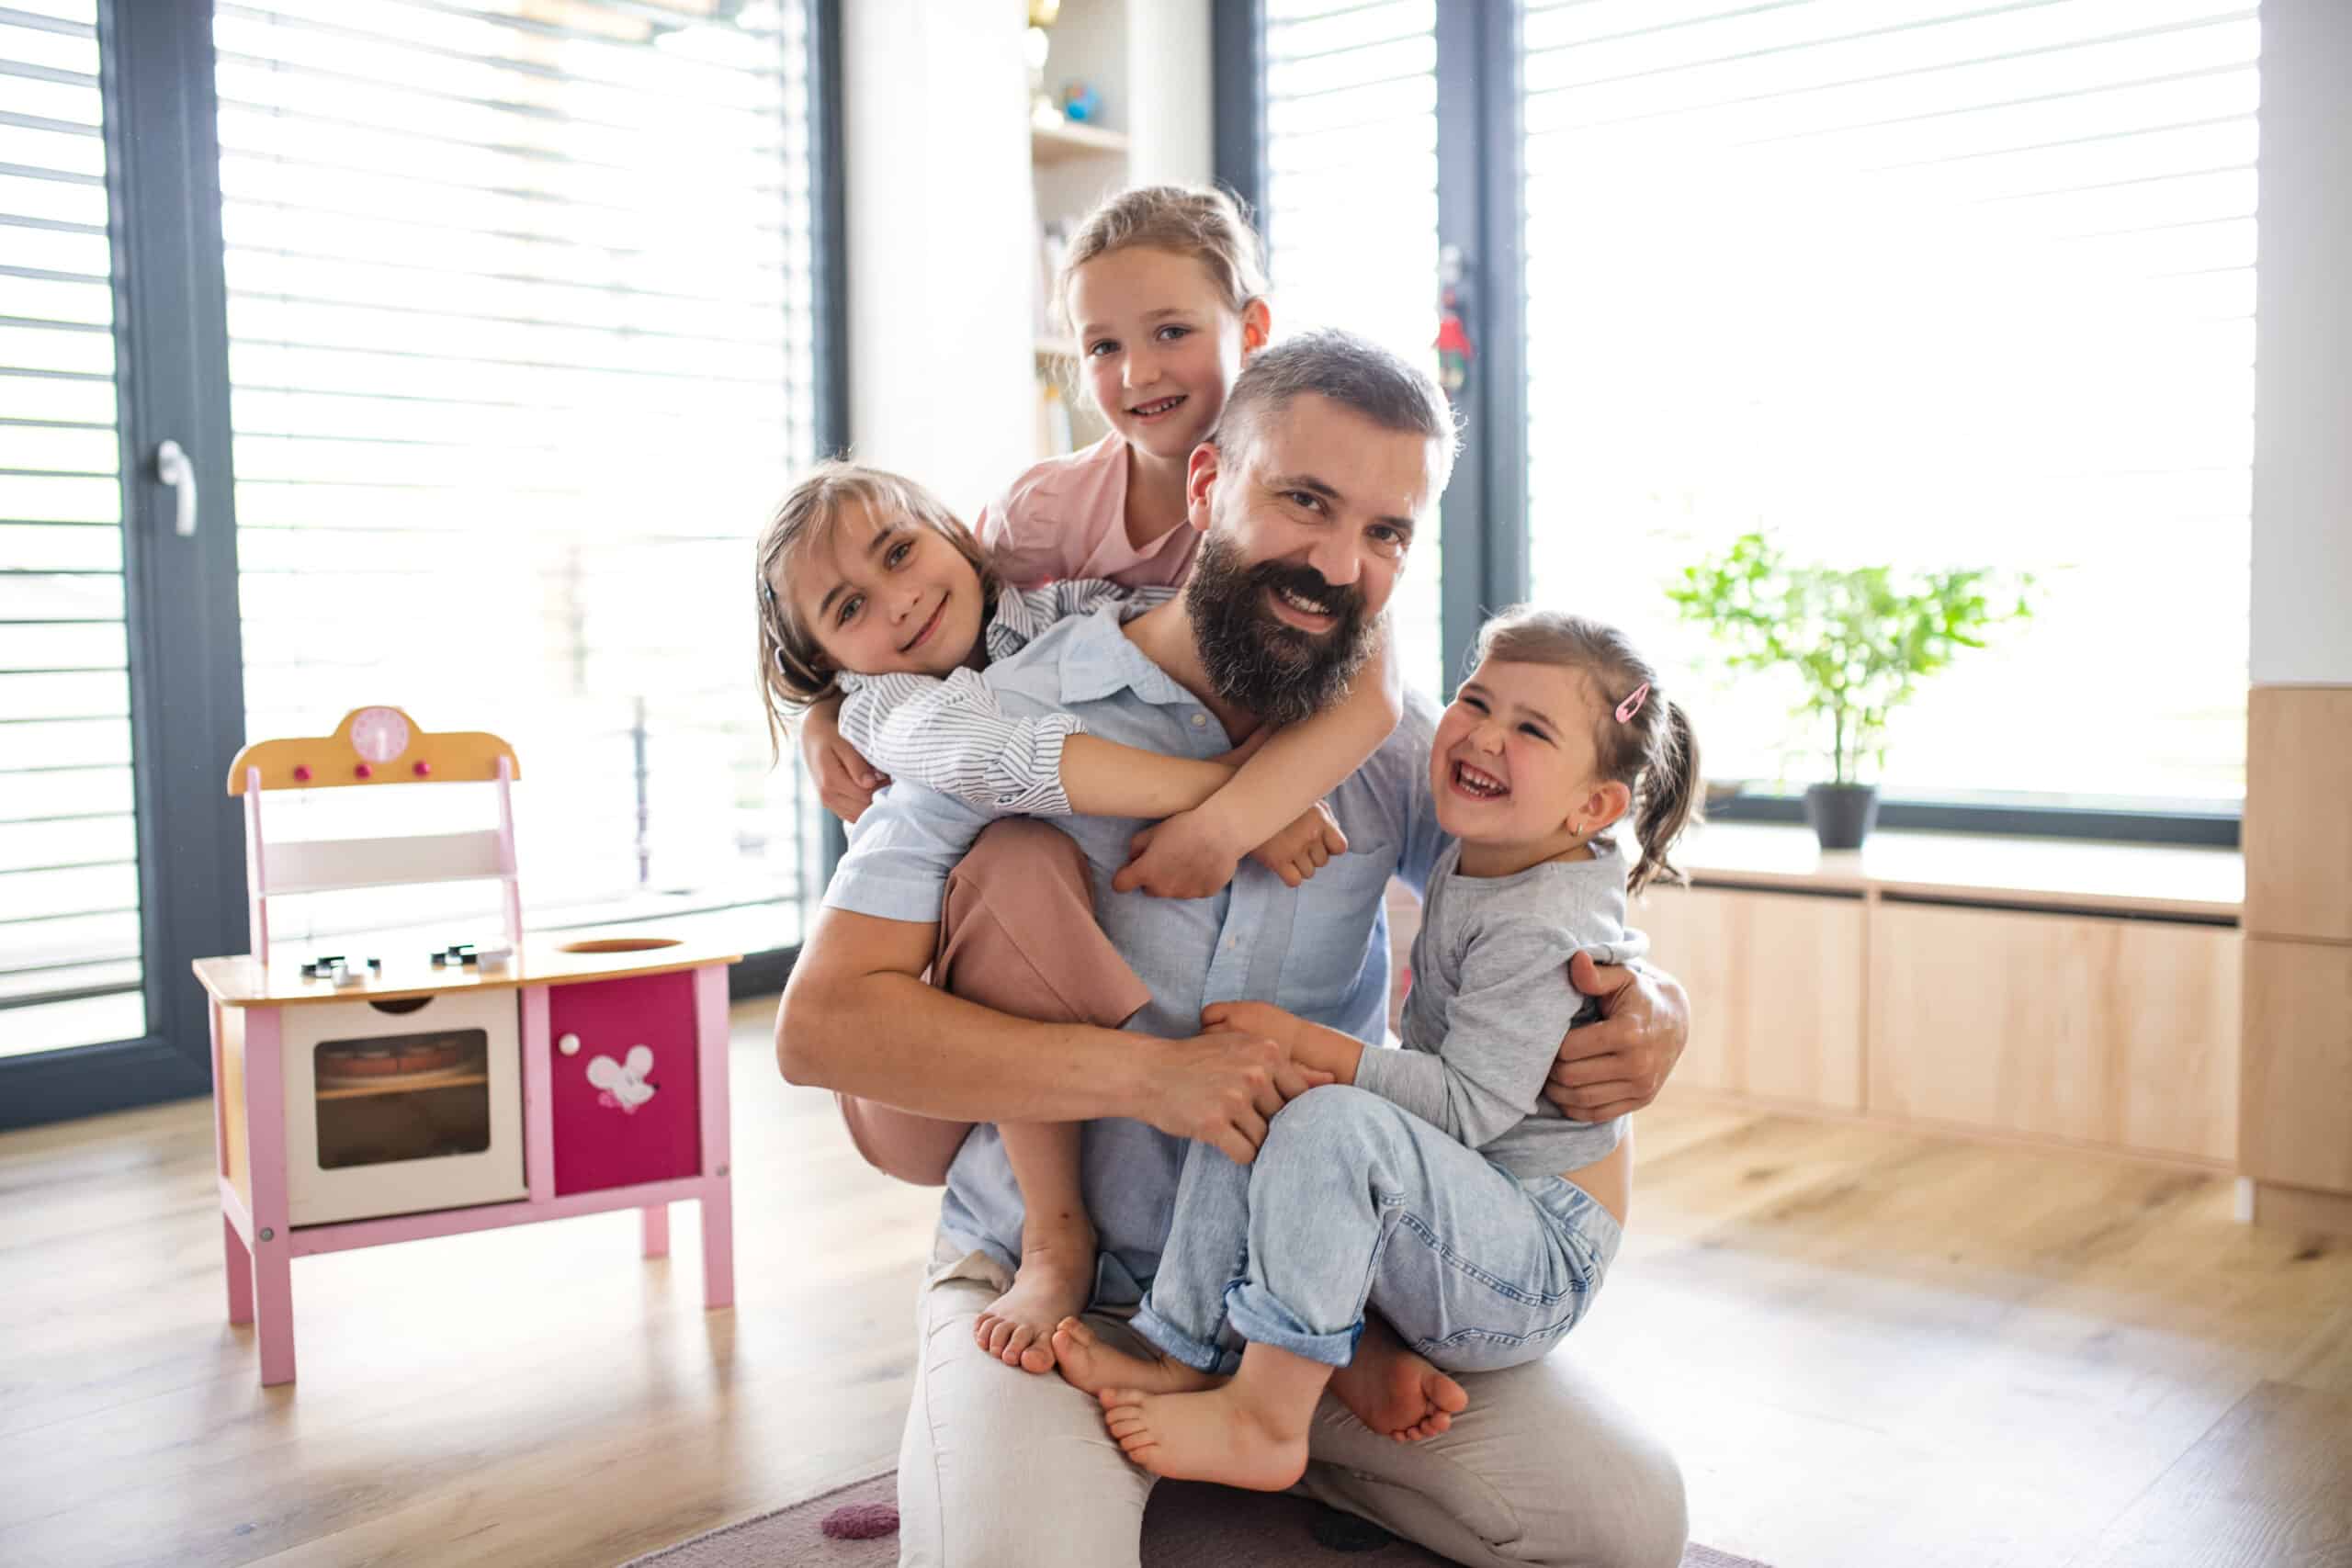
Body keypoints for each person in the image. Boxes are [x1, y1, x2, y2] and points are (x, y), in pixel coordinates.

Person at [777, 330, 1692, 1567]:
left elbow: (1552, 890)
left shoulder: (1409, 749)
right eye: (1304, 501)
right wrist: (1154, 1079)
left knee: (1625, 1521)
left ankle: (1266, 1419)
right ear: (1208, 485)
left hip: (1305, 1283)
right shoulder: (1005, 717)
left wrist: (1655, 1002)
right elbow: (823, 1024)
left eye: (1386, 531)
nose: (1337, 563)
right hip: (1060, 1283)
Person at [752, 458, 1396, 1372]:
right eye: (848, 610)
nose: (895, 602)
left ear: (961, 539)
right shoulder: (890, 706)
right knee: (1018, 857)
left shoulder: (1065, 616)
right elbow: (1001, 757)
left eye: (900, 553)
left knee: (1032, 865)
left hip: (1033, 1004)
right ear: (828, 664)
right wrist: (1239, 804)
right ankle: (1057, 1238)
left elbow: (1184, 618)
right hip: (910, 1081)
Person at [1048, 606, 1703, 1494]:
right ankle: (1186, 1349)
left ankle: (1267, 1419)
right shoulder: (1495, 845)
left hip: (1534, 1255)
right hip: (1470, 1205)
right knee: (1245, 1085)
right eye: (1477, 701)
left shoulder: (1540, 923)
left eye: (1532, 728)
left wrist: (1307, 1043)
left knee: (1320, 1113)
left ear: (1594, 807)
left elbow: (1470, 1108)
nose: (1483, 736)